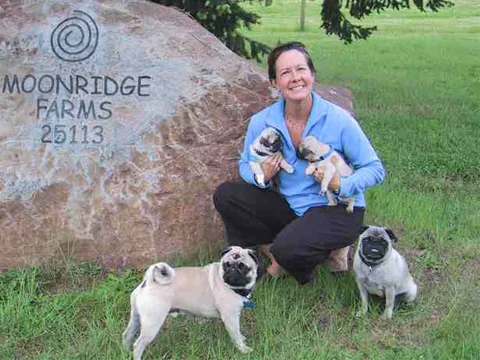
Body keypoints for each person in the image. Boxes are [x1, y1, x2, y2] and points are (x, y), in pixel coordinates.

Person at [213, 42, 385, 285]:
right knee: (226, 195)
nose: (295, 78)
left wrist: (341, 183)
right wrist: (261, 175)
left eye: (301, 70)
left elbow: (375, 169)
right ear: (274, 82)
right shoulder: (262, 121)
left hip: (337, 211)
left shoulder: (337, 119)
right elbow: (244, 165)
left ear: (312, 75)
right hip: (292, 208)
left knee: (287, 249)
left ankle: (296, 262)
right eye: (285, 73)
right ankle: (288, 252)